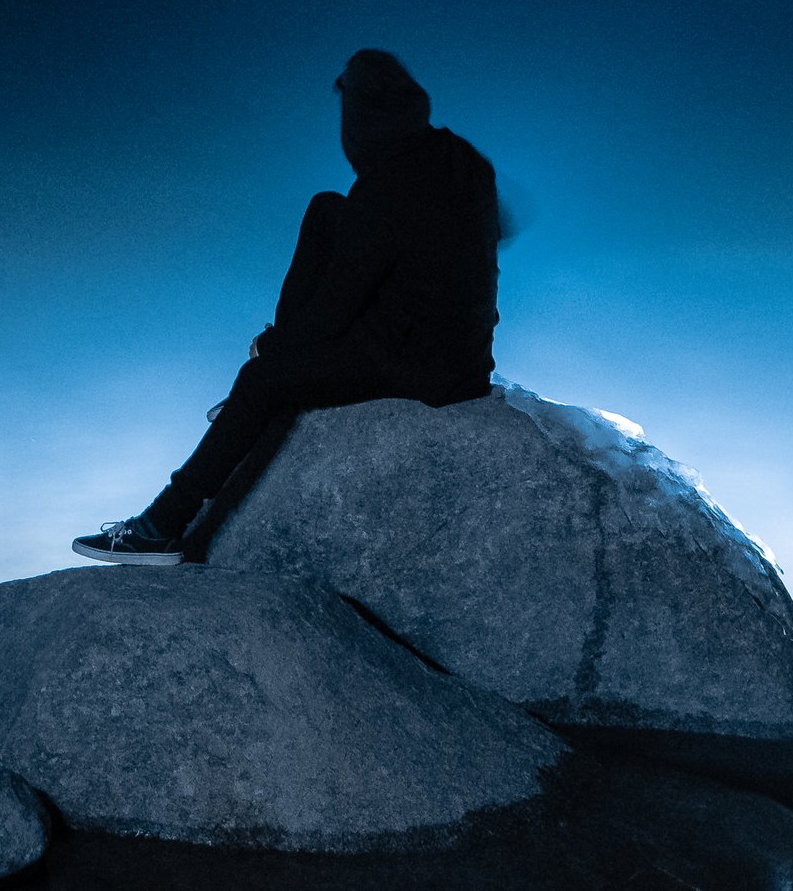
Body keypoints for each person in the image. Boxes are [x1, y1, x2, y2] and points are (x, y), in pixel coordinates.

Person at [73, 48, 499, 562]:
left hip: (422, 367)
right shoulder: (463, 158)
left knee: (261, 382)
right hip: (459, 346)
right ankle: (275, 374)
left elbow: (336, 308)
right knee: (326, 208)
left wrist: (274, 351)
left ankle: (161, 527)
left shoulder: (384, 190)